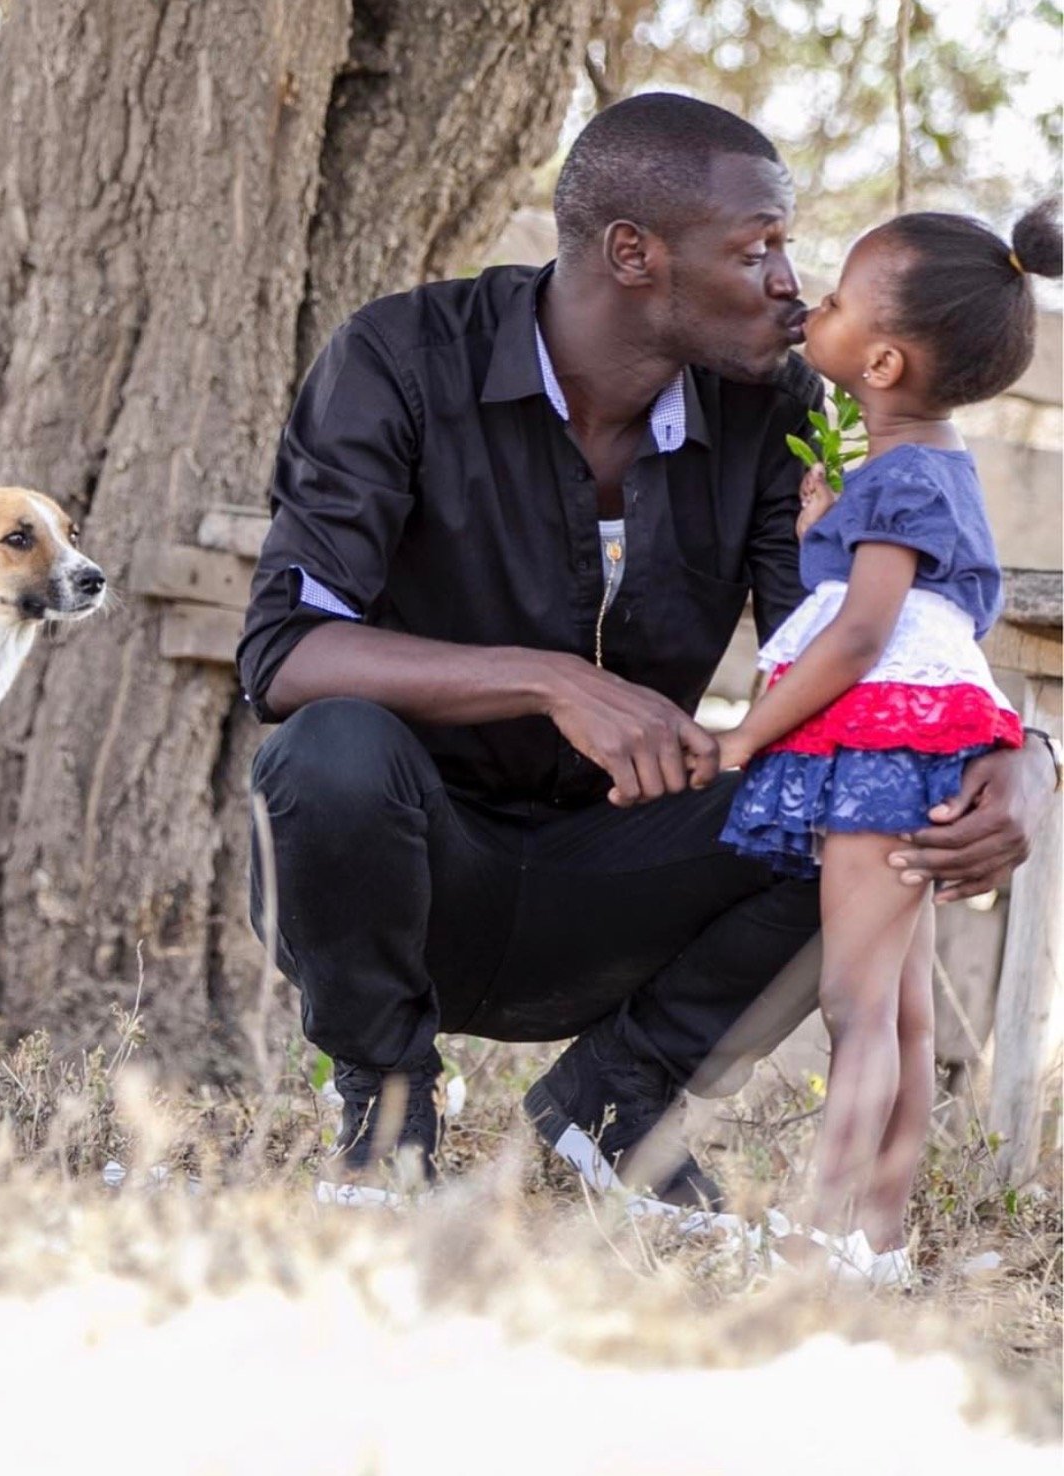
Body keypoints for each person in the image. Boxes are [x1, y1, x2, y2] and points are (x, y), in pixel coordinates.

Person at [236, 93, 1057, 1210]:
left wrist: (1022, 757)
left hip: (628, 877)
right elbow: (285, 652)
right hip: (417, 866)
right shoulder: (402, 357)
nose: (788, 280)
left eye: (790, 246)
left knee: (860, 793)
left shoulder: (777, 412)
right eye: (758, 246)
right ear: (634, 253)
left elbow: (861, 657)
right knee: (327, 750)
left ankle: (612, 1110)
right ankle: (387, 1114)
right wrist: (552, 679)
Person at [708, 200, 1062, 1281]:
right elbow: (880, 601)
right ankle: (880, 1239)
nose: (808, 311)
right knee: (899, 1014)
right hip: (911, 751)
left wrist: (741, 736)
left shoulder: (906, 477)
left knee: (856, 1007)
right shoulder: (917, 470)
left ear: (883, 357)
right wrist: (827, 527)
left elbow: (862, 635)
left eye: (830, 304)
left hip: (880, 758)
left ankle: (824, 1236)